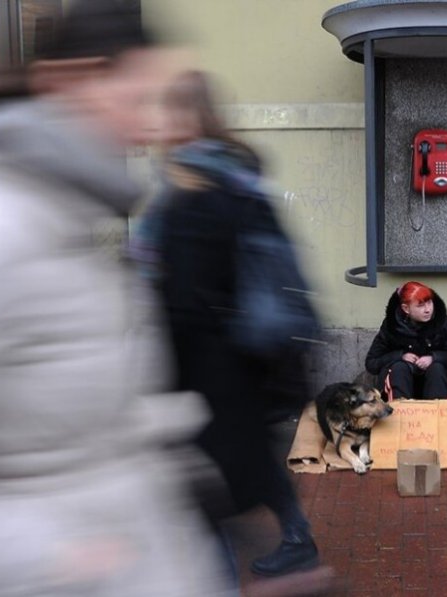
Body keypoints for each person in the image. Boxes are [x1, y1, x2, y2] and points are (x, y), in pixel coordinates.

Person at [0, 2, 236, 596]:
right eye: (139, 100)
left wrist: (164, 439)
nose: (152, 128)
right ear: (71, 82)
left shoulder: (75, 226)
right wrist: (60, 558)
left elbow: (54, 415)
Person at [141, 70, 321, 579]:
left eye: (168, 112)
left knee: (204, 495)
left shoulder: (188, 194)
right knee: (246, 468)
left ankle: (235, 573)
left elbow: (179, 303)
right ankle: (295, 540)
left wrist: (159, 384)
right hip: (255, 357)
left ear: (187, 118)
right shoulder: (244, 180)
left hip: (209, 370)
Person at [364, 281, 447, 400]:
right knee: (398, 368)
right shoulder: (392, 325)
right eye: (421, 305)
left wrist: (434, 358)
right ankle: (401, 415)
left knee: (437, 368)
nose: (428, 309)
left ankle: (436, 416)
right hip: (400, 384)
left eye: (429, 303)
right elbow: (371, 363)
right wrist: (400, 356)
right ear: (406, 308)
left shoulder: (441, 322)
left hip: (435, 385)